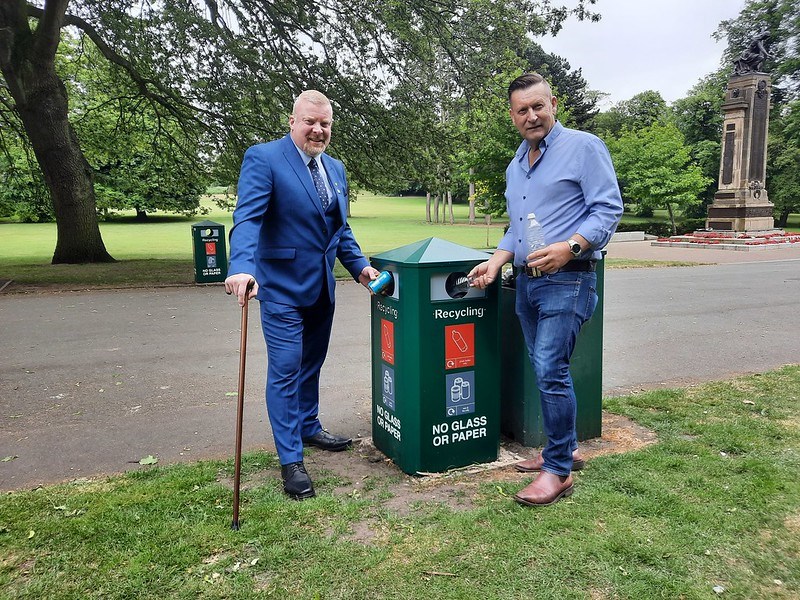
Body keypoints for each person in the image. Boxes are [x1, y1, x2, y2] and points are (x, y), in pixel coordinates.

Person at [468, 73, 622, 507]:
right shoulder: (516, 164)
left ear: (553, 104)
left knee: (551, 369)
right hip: (527, 284)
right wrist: (497, 261)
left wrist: (570, 246)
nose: (531, 116)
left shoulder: (584, 147)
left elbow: (608, 208)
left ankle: (557, 470)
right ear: (513, 115)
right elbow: (515, 230)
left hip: (569, 278)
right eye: (522, 110)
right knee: (545, 370)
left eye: (538, 106)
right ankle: (565, 447)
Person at [225, 90, 380, 501]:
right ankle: (291, 460)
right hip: (279, 289)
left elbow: (339, 230)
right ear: (292, 122)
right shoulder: (264, 158)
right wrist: (242, 266)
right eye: (310, 121)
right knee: (286, 370)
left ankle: (309, 426)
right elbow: (248, 218)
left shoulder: (335, 168)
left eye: (325, 123)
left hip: (322, 289)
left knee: (311, 364)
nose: (318, 129)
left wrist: (360, 266)